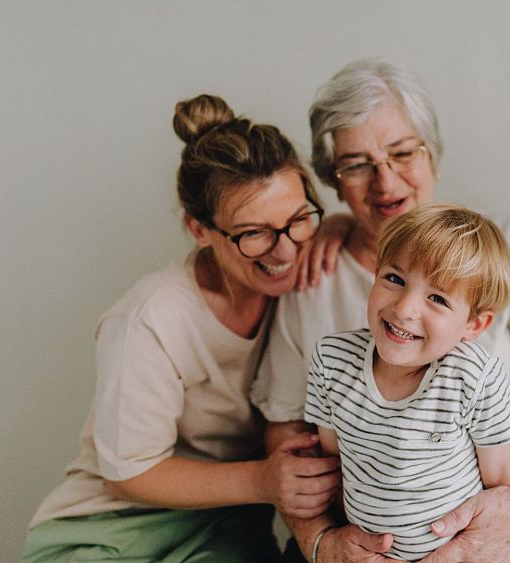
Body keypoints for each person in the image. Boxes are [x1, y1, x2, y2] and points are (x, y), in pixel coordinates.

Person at [250, 57, 510, 563]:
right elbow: (288, 427)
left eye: (401, 153)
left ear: (431, 154)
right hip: (364, 520)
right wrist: (321, 541)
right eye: (357, 164)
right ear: (333, 179)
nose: (386, 183)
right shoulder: (311, 277)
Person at [21, 94, 338, 562]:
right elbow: (127, 473)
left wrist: (343, 228)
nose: (285, 250)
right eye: (254, 233)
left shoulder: (306, 278)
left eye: (297, 219)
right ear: (200, 230)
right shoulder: (149, 320)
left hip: (227, 529)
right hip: (108, 531)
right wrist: (264, 480)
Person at [305, 203, 510, 562]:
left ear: (474, 326)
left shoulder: (473, 376)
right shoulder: (331, 360)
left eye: (437, 298)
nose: (405, 308)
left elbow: (504, 485)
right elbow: (335, 465)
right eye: (395, 279)